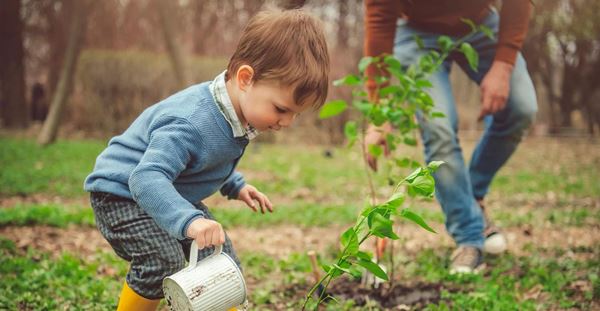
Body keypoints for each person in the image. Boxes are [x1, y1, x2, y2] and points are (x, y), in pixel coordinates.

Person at [84, 9, 329, 310]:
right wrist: (190, 221)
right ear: (245, 78)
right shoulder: (191, 123)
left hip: (169, 191)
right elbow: (145, 178)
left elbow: (206, 158)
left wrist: (235, 185)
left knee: (219, 257)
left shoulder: (237, 114)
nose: (287, 121)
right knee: (163, 260)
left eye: (295, 113)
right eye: (281, 109)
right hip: (122, 196)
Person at [363, 0, 537, 273]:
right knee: (438, 128)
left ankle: (473, 199)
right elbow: (379, 16)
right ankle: (469, 236)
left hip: (481, 24)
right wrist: (378, 114)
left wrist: (503, 65)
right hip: (416, 31)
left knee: (521, 108)